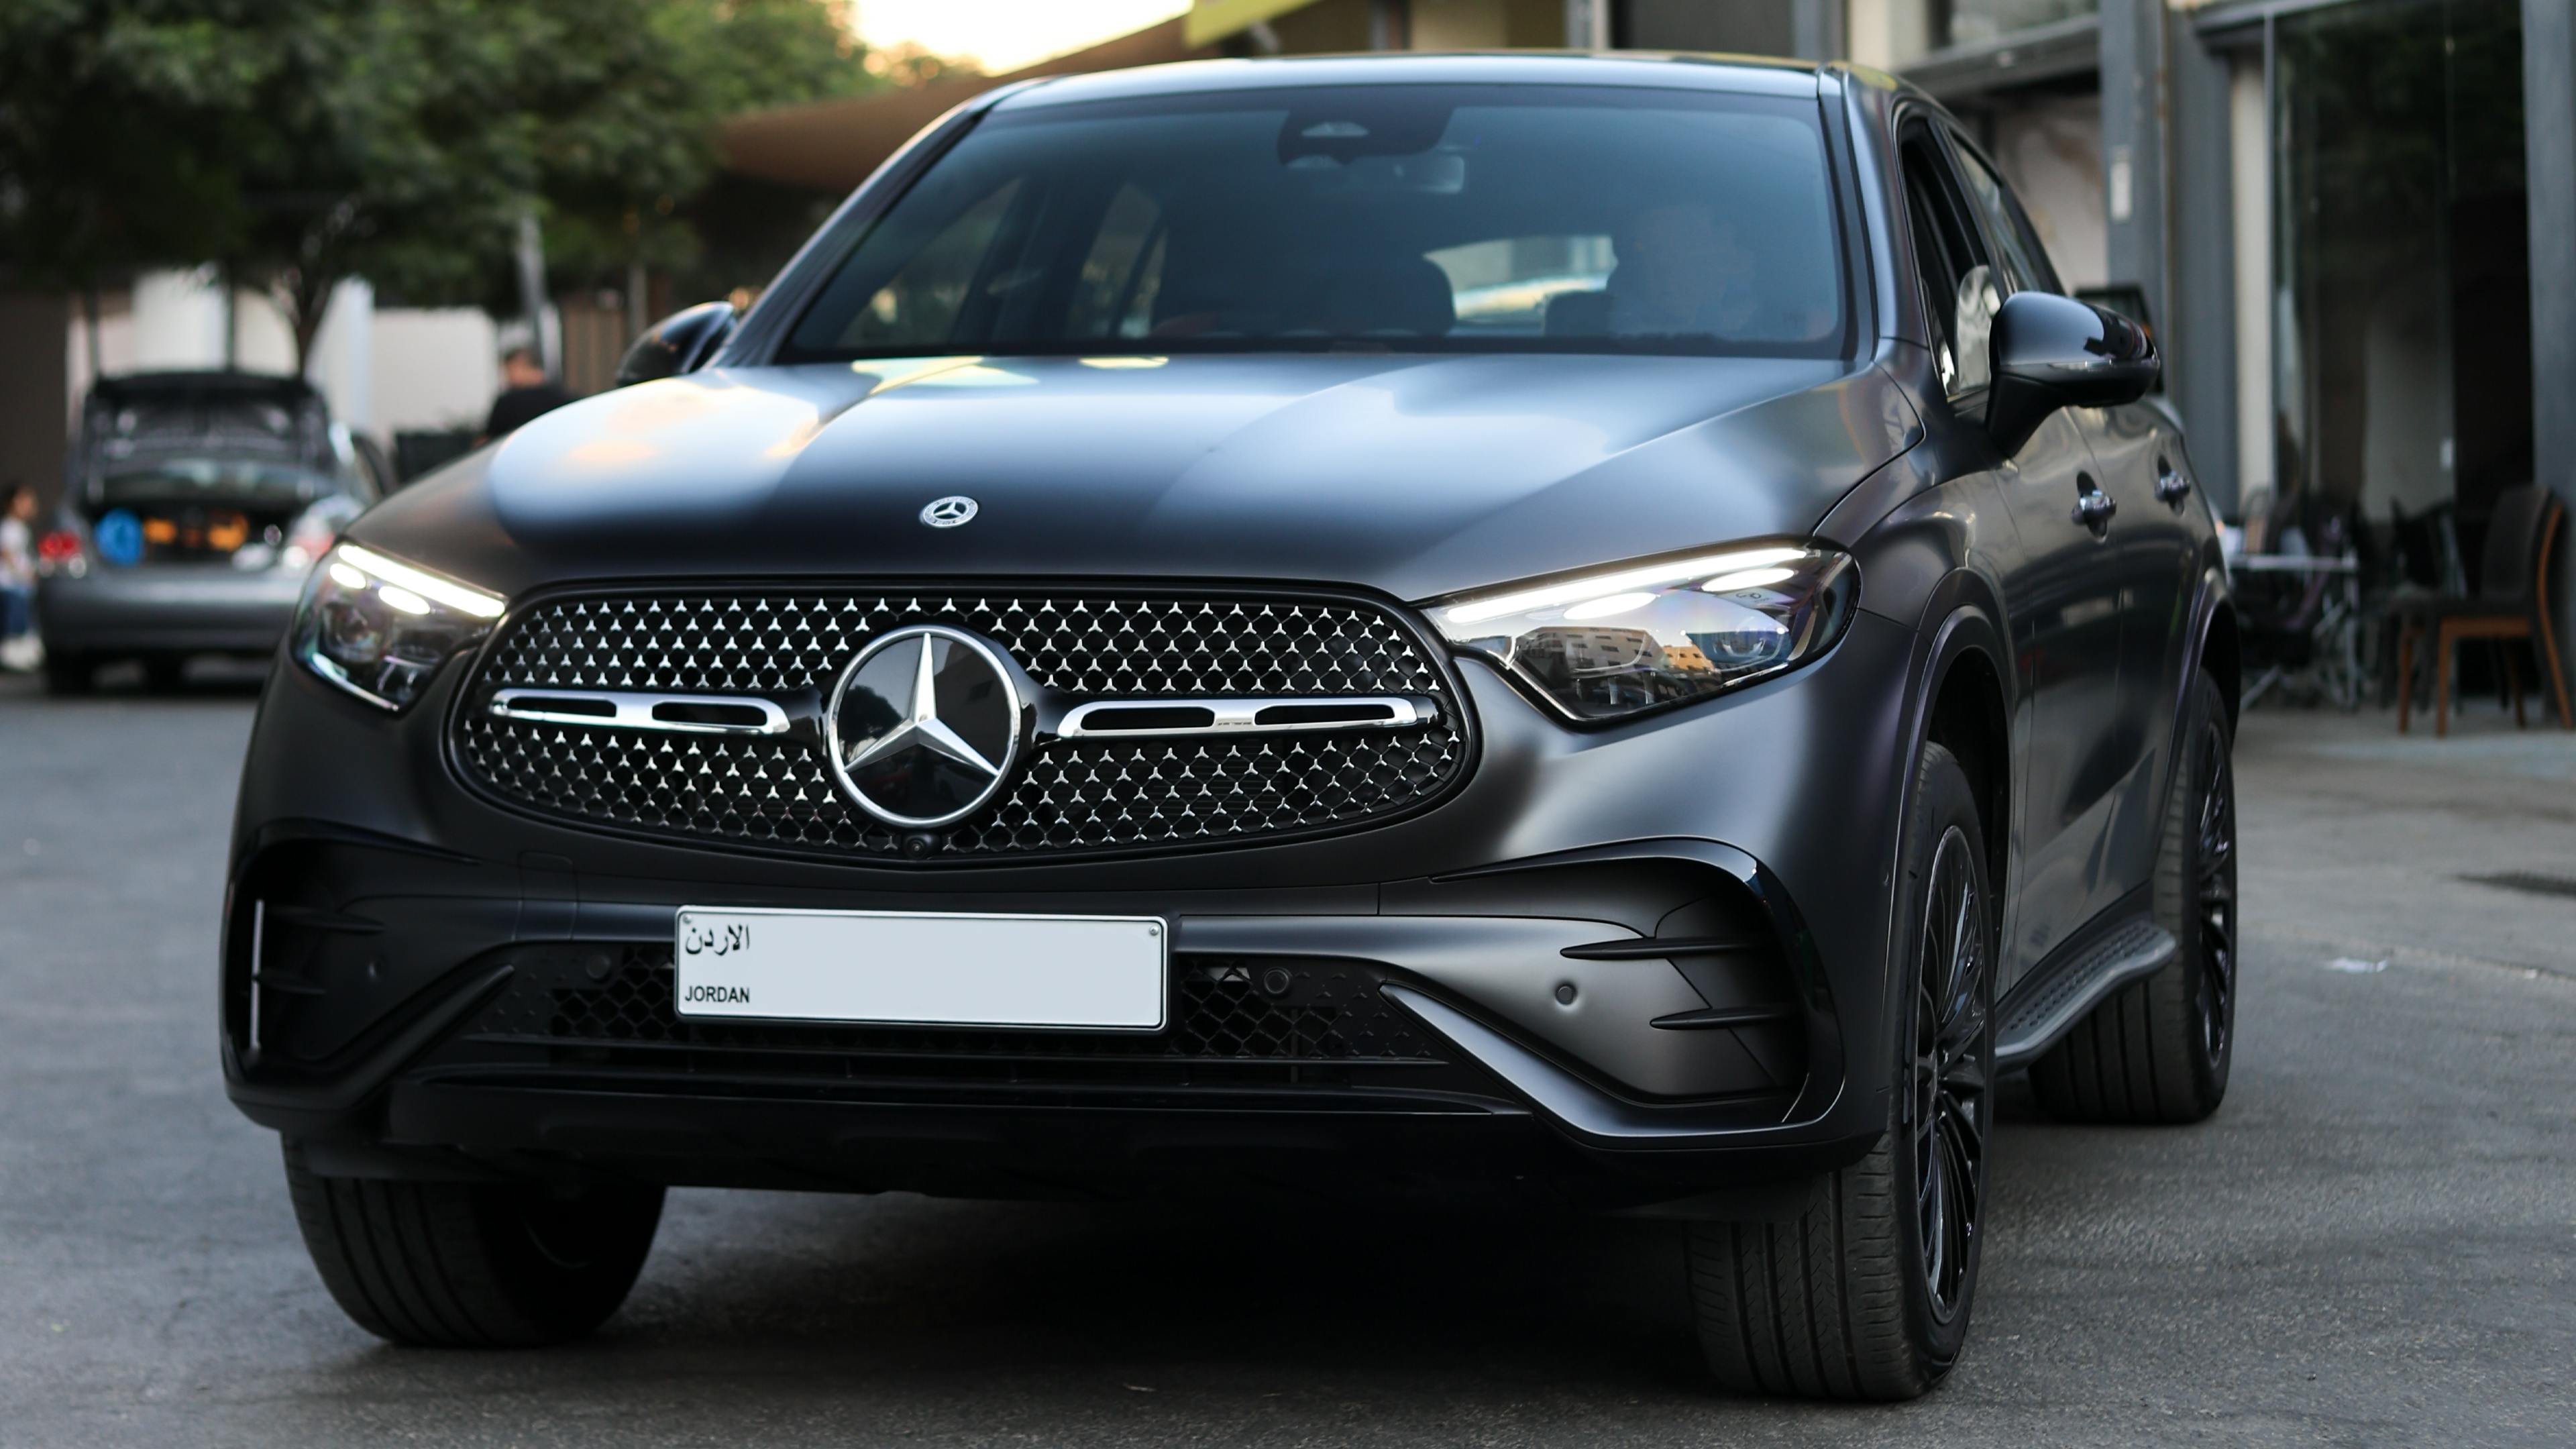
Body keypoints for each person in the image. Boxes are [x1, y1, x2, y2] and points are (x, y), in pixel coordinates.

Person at [480, 347, 572, 442]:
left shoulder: (507, 402)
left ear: (520, 367)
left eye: (509, 371)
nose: (507, 377)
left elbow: (486, 443)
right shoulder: (561, 396)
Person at [0, 482, 40, 674]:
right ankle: (12, 654)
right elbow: (7, 555)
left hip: (20, 586)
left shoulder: (21, 529)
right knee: (15, 621)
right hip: (11, 585)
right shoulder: (9, 528)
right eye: (23, 499)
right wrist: (24, 575)